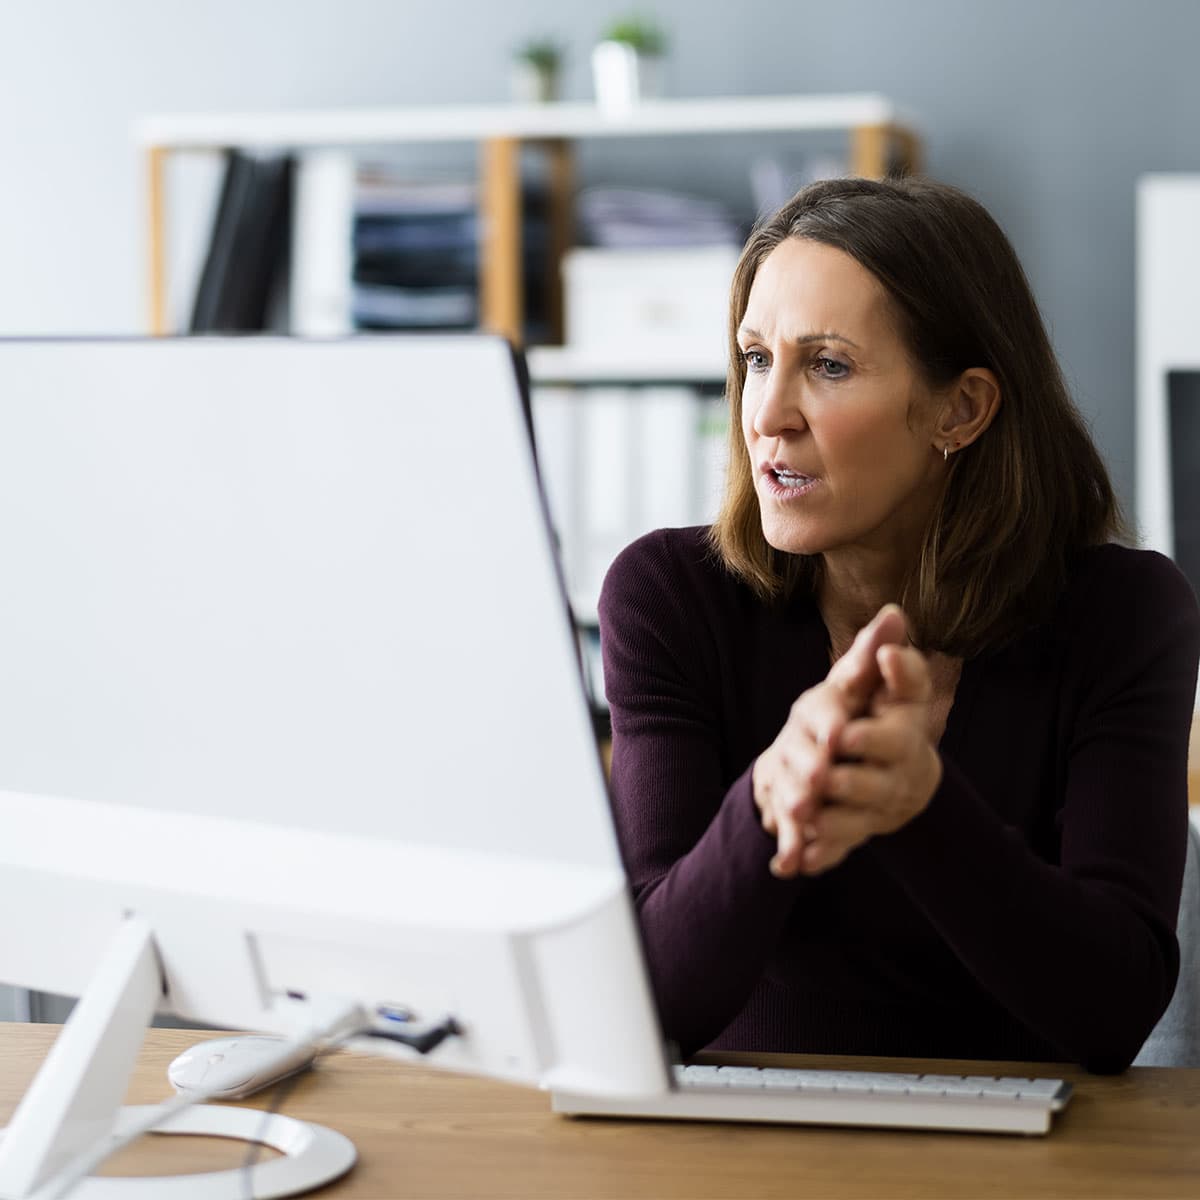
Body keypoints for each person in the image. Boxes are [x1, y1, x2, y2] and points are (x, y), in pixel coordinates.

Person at [598, 176, 1200, 1074]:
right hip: (734, 1151)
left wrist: (918, 804)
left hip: (1022, 1160)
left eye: (828, 365)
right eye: (756, 357)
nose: (766, 415)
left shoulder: (1123, 613)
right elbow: (653, 1006)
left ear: (960, 410)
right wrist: (773, 795)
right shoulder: (668, 597)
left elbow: (1111, 1012)